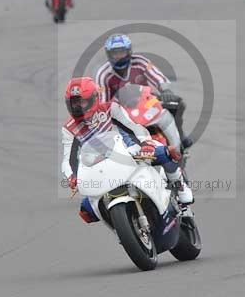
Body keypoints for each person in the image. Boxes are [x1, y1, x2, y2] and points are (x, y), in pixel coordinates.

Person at [61, 77, 194, 217]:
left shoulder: (110, 109)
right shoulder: (69, 129)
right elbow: (68, 158)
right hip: (98, 166)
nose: (77, 107)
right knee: (86, 212)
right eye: (73, 103)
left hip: (128, 150)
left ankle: (180, 188)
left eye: (81, 102)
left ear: (94, 98)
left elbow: (134, 127)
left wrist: (146, 144)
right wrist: (72, 176)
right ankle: (121, 229)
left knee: (166, 153)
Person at [95, 34, 192, 149]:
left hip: (147, 102)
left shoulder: (141, 62)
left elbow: (157, 77)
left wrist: (166, 91)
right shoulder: (103, 74)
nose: (119, 57)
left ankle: (179, 137)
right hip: (122, 109)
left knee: (178, 105)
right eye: (115, 53)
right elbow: (103, 101)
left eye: (122, 52)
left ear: (129, 51)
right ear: (109, 54)